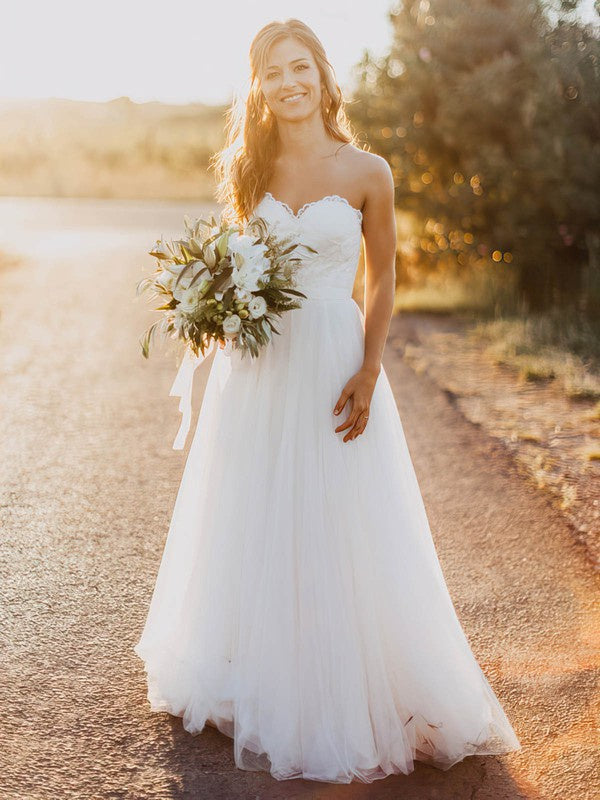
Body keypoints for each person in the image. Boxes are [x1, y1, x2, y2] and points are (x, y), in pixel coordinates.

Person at [134, 17, 522, 785]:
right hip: (261, 365)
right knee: (257, 508)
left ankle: (352, 684)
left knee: (343, 514)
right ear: (259, 85)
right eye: (272, 71)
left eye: (299, 67)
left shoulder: (367, 171)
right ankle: (263, 671)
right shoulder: (249, 167)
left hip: (336, 355)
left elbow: (382, 279)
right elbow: (236, 260)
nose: (287, 82)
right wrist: (211, 303)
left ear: (322, 74)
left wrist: (371, 367)